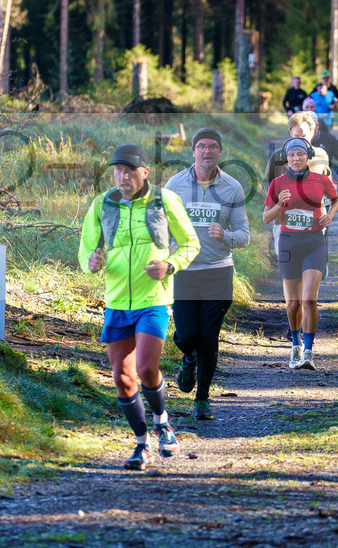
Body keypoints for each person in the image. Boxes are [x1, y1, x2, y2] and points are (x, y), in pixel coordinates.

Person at [79, 144, 202, 470]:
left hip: (153, 300)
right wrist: (90, 261)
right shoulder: (103, 203)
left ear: (144, 172)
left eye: (130, 170)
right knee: (122, 377)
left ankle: (162, 422)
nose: (123, 176)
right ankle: (141, 443)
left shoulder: (164, 200)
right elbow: (86, 248)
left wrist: (169, 265)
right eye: (118, 170)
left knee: (147, 367)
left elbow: (191, 243)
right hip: (117, 301)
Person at [165, 128, 250, 421]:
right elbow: (158, 227)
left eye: (213, 146)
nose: (207, 151)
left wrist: (224, 235)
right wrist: (169, 243)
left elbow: (244, 236)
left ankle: (202, 399)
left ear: (220, 153)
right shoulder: (174, 185)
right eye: (201, 146)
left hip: (218, 272)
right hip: (184, 271)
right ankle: (188, 358)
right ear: (192, 152)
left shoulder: (232, 187)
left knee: (209, 338)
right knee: (188, 335)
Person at [263, 137, 338, 370]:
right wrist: (279, 206)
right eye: (292, 155)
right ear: (286, 159)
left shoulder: (321, 180)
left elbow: (335, 199)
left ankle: (308, 351)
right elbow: (266, 217)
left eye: (300, 155)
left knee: (309, 299)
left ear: (308, 157)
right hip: (288, 243)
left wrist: (331, 215)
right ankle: (295, 345)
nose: (296, 159)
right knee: (293, 303)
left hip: (314, 242)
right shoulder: (277, 183)